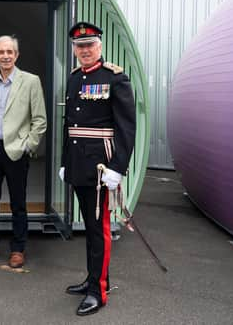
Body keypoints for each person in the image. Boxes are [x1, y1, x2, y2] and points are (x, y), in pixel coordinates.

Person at [59, 22, 136, 316]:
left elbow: (127, 127)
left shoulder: (115, 78)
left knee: (99, 229)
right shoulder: (74, 78)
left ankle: (98, 291)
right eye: (80, 46)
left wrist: (118, 167)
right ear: (74, 49)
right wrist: (66, 162)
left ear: (100, 46)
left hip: (102, 168)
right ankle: (94, 278)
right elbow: (70, 126)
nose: (85, 50)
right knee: (90, 228)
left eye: (90, 44)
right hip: (79, 164)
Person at [0, 35, 47, 268]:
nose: (5, 56)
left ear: (16, 55)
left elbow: (40, 119)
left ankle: (18, 248)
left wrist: (28, 146)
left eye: (9, 52)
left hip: (16, 151)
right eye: (1, 52)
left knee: (18, 203)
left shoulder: (31, 81)